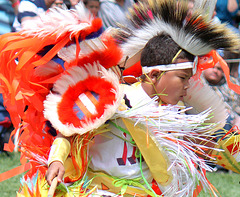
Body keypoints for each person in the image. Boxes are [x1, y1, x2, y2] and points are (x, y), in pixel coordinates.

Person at [0, 0, 240, 196]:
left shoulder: (176, 114)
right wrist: (57, 161)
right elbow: (67, 132)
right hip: (101, 191)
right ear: (154, 74)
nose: (188, 87)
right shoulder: (113, 98)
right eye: (182, 78)